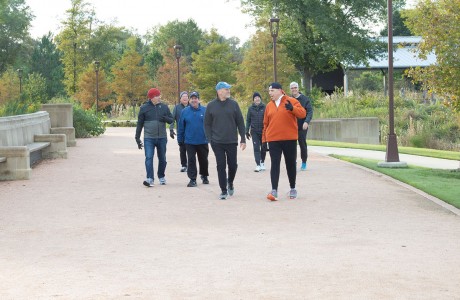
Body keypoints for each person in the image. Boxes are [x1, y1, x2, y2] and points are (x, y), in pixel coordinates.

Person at [262, 82, 306, 201]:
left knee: (290, 164)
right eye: (269, 91)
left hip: (289, 138)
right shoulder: (268, 106)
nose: (270, 93)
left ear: (280, 91)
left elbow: (302, 113)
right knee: (274, 164)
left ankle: (292, 188)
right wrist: (264, 140)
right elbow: (265, 124)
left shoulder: (291, 101)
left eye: (272, 90)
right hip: (273, 139)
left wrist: (292, 109)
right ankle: (274, 190)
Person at [204, 81, 246, 200]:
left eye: (228, 89)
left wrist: (243, 138)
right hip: (217, 142)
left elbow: (240, 122)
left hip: (231, 140)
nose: (228, 91)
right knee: (221, 165)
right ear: (219, 91)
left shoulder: (234, 104)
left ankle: (230, 182)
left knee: (233, 165)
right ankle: (223, 190)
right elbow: (207, 124)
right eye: (226, 89)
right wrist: (209, 139)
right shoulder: (211, 105)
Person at [135, 88, 173, 187]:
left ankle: (161, 176)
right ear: (152, 97)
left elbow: (171, 119)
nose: (159, 97)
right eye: (157, 96)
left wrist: (165, 118)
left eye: (159, 95)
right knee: (149, 157)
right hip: (149, 138)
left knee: (162, 159)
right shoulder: (144, 108)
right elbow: (140, 124)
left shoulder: (164, 107)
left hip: (162, 138)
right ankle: (150, 178)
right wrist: (137, 138)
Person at [177, 91, 210, 187]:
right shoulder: (185, 111)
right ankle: (192, 179)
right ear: (189, 100)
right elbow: (181, 127)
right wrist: (180, 140)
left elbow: (210, 125)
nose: (194, 100)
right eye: (192, 98)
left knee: (203, 159)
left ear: (198, 99)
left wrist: (210, 137)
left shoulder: (205, 110)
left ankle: (204, 175)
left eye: (195, 98)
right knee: (191, 160)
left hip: (202, 140)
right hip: (189, 141)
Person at [290, 82, 313, 171]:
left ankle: (304, 162)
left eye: (295, 87)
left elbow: (310, 111)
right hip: (291, 126)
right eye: (292, 88)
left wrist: (306, 122)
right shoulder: (289, 99)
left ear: (298, 88)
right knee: (292, 145)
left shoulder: (305, 99)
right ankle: (293, 162)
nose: (294, 89)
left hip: (302, 126)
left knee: (302, 144)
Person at [245, 92, 266, 172]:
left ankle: (262, 162)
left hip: (263, 131)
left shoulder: (265, 107)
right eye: (255, 98)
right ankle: (258, 164)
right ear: (253, 100)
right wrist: (246, 130)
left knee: (263, 148)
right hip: (254, 131)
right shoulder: (250, 108)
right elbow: (248, 120)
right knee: (256, 148)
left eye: (258, 97)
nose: (257, 99)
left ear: (260, 98)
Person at [169, 91, 189, 172]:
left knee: (191, 150)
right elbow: (172, 119)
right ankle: (184, 165)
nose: (185, 97)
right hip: (181, 132)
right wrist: (171, 129)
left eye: (186, 96)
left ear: (188, 98)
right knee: (182, 149)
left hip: (191, 132)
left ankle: (191, 165)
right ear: (180, 99)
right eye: (183, 96)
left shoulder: (192, 106)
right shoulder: (177, 108)